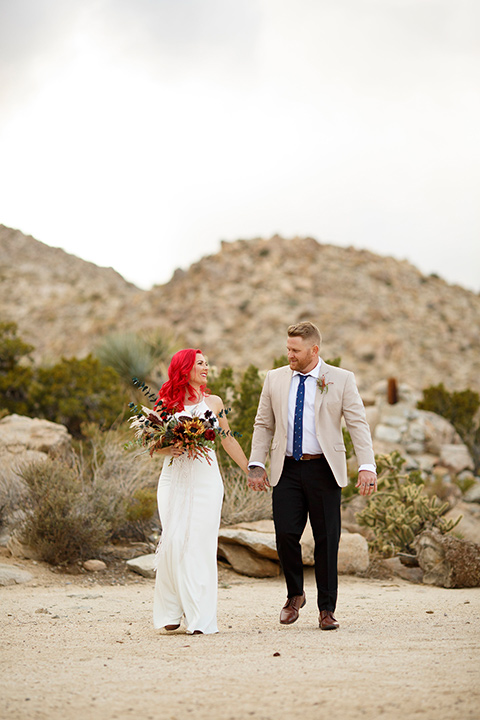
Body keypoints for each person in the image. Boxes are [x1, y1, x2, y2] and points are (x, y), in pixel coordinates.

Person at [247, 321, 376, 630]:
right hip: (287, 468)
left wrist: (367, 465)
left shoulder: (341, 379)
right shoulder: (274, 378)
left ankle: (327, 609)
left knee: (327, 540)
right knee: (286, 535)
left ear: (314, 350)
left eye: (296, 350)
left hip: (324, 469)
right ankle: (295, 595)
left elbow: (358, 423)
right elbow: (263, 424)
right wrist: (256, 462)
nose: (289, 354)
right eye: (288, 348)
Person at [152, 348, 248, 635]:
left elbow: (228, 440)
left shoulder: (214, 402)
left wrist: (250, 468)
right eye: (200, 363)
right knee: (174, 540)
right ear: (185, 369)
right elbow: (152, 445)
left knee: (199, 546)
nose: (206, 367)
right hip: (173, 479)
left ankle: (200, 618)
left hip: (206, 480)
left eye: (207, 363)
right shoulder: (166, 403)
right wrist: (169, 447)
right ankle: (170, 611)